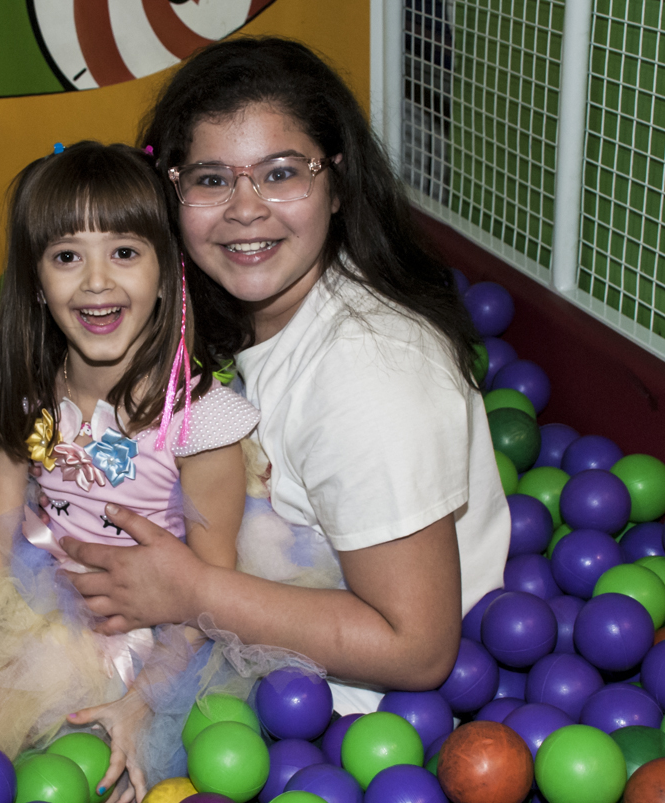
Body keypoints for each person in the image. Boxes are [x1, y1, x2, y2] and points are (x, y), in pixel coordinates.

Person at [58, 37, 512, 715]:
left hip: (341, 708)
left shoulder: (371, 379)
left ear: (336, 185)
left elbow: (419, 647)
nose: (246, 208)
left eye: (281, 173)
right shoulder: (242, 309)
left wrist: (195, 592)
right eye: (211, 178)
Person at [0, 142, 294, 800]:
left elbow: (208, 591)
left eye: (124, 252)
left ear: (167, 271)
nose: (95, 281)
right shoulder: (16, 382)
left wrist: (141, 704)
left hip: (163, 620)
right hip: (42, 579)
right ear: (34, 278)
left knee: (94, 773)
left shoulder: (198, 421)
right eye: (66, 256)